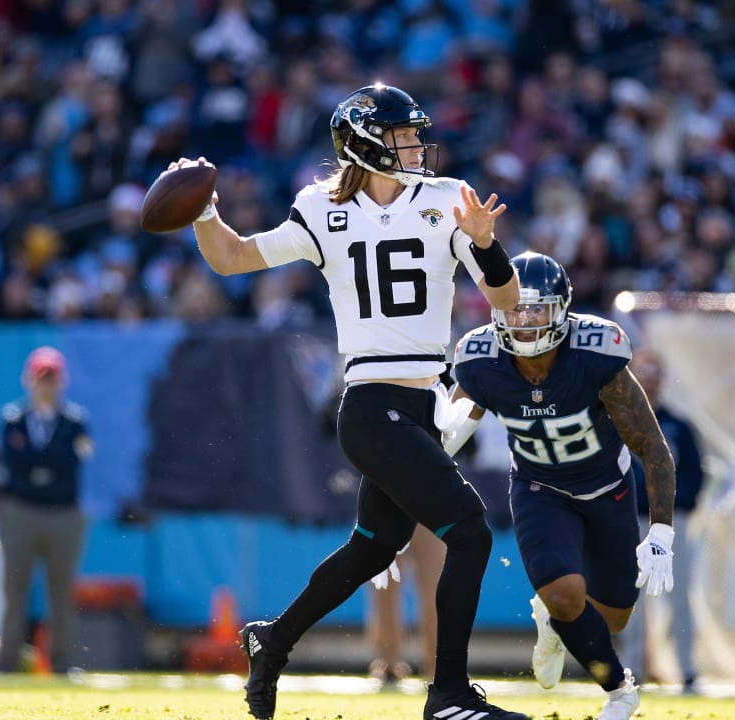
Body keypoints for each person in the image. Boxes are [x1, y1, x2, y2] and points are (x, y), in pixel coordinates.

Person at [182, 83, 527, 720]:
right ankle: (449, 694)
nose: (417, 143)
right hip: (372, 404)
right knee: (472, 533)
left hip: (418, 409)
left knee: (374, 545)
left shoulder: (449, 201)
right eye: (403, 133)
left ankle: (273, 640)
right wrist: (203, 211)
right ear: (367, 142)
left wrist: (483, 243)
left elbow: (506, 303)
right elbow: (230, 258)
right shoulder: (322, 210)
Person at [446, 251, 678, 720]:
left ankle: (554, 624)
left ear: (562, 311)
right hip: (539, 487)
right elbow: (442, 443)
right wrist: (388, 512)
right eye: (514, 308)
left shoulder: (595, 353)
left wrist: (662, 532)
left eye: (536, 309)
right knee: (565, 595)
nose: (524, 320)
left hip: (608, 488)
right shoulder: (481, 361)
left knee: (611, 617)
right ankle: (620, 690)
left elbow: (652, 446)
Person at [0, 346, 93, 673]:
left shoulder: (76, 421)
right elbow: (15, 462)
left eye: (51, 379)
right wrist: (47, 467)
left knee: (61, 591)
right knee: (14, 589)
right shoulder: (13, 419)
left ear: (61, 381)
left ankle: (62, 662)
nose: (46, 386)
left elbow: (73, 462)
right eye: (41, 379)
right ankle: (7, 661)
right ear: (29, 381)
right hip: (21, 511)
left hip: (62, 513)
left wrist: (39, 468)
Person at [619, 349, 705, 691]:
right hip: (631, 520)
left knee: (679, 595)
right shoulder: (619, 419)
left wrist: (675, 507)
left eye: (654, 377)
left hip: (669, 523)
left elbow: (696, 474)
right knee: (630, 598)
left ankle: (686, 668)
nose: (650, 385)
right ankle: (629, 669)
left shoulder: (679, 425)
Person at [365, 526, 444, 685]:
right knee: (383, 587)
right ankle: (387, 663)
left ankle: (439, 666)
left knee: (437, 592)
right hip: (388, 509)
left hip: (432, 510)